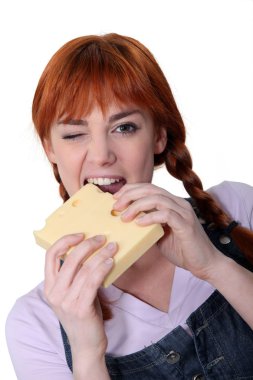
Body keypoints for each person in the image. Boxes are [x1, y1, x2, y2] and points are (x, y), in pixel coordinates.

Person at [5, 33, 253, 380]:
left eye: (124, 127)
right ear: (50, 149)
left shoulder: (238, 208)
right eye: (74, 134)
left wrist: (214, 266)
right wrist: (87, 352)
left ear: (158, 136)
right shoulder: (35, 324)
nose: (102, 155)